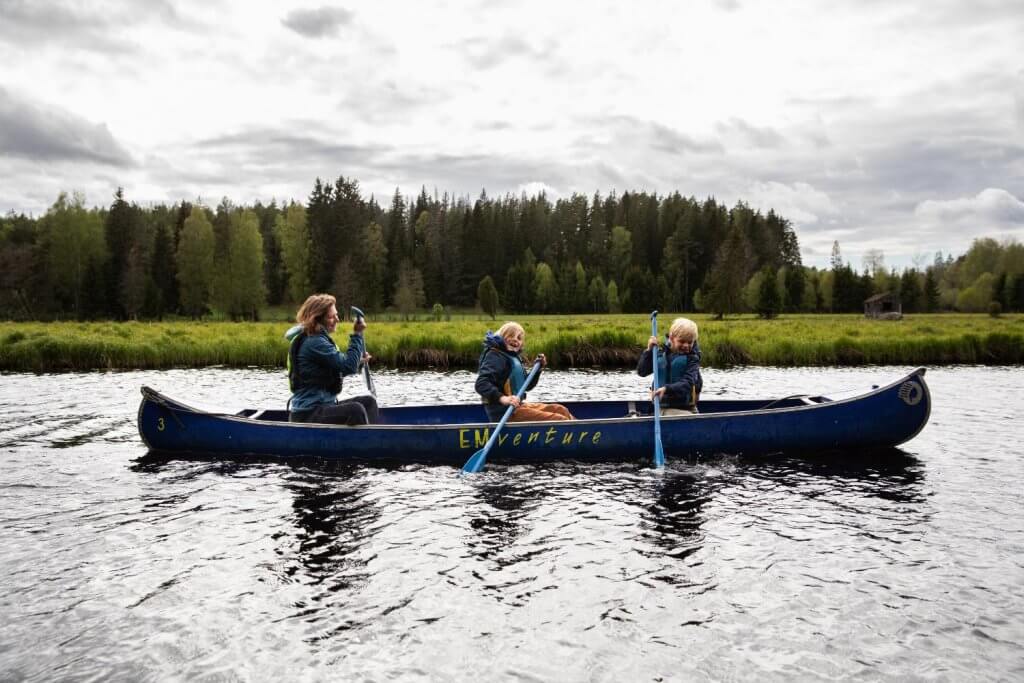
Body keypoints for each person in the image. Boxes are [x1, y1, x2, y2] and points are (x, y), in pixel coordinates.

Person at [286, 294, 379, 425]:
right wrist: (357, 334)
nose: (337, 319)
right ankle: (365, 438)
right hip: (308, 413)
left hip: (323, 406)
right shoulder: (314, 342)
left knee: (369, 402)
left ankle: (371, 434)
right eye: (331, 317)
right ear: (317, 319)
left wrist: (358, 361)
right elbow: (348, 367)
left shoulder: (317, 338)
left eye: (336, 315)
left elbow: (334, 371)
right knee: (355, 410)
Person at [475, 321, 575, 422]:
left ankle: (578, 429)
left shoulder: (513, 357)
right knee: (559, 420)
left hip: (518, 406)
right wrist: (503, 398)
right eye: (511, 336)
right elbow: (481, 383)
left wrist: (537, 369)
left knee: (561, 410)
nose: (515, 339)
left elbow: (527, 386)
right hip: (504, 412)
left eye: (519, 338)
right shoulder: (495, 356)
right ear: (502, 336)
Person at [636, 317, 703, 415]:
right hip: (660, 408)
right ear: (671, 338)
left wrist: (666, 389)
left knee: (690, 417)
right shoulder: (660, 354)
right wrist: (649, 351)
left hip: (686, 408)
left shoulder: (692, 359)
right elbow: (642, 372)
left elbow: (688, 383)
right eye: (682, 341)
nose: (686, 345)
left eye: (690, 342)